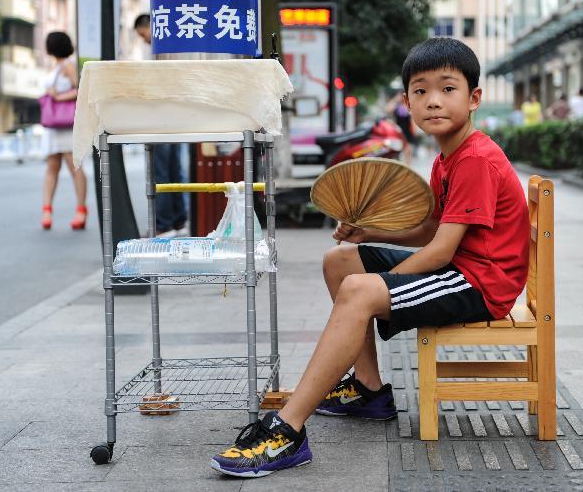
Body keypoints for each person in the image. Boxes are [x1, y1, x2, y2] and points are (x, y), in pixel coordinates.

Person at [210, 37, 530, 477]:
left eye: (447, 88)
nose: (433, 101)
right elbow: (434, 228)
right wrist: (370, 234)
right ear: (406, 102)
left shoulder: (475, 159)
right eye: (421, 91)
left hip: (482, 284)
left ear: (474, 98)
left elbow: (440, 251)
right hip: (463, 268)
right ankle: (368, 388)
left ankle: (287, 431)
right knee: (340, 260)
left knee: (359, 290)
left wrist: (385, 287)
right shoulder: (448, 158)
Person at [134, 13, 187, 236]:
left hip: (161, 114)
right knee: (174, 170)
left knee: (161, 172)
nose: (143, 39)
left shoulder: (158, 51)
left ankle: (164, 223)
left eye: (142, 34)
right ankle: (177, 220)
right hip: (176, 114)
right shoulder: (172, 46)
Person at [41, 32, 87, 230]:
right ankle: (47, 210)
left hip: (67, 125)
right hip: (54, 126)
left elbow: (80, 89)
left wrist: (58, 97)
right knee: (53, 166)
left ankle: (80, 210)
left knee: (72, 166)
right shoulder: (58, 66)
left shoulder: (67, 65)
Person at [385, 91, 416, 164]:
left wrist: (414, 130)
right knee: (397, 149)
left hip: (407, 130)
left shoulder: (409, 105)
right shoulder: (396, 105)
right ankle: (398, 165)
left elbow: (413, 119)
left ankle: (407, 167)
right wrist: (395, 99)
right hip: (397, 130)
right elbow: (387, 109)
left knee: (408, 150)